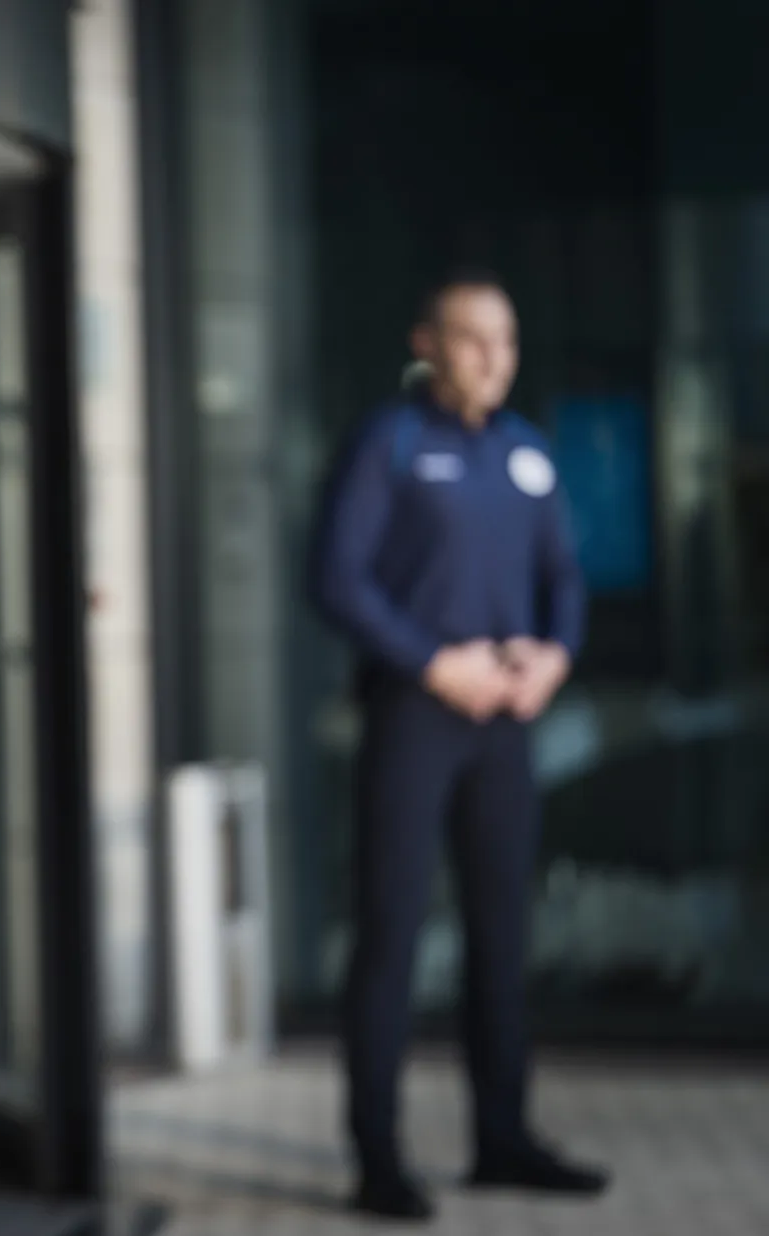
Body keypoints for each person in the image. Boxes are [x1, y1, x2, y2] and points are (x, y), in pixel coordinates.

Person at [310, 271, 609, 1221]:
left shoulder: (527, 454)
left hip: (506, 724)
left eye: (507, 341)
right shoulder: (388, 443)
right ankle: (378, 1158)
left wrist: (553, 658)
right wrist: (434, 662)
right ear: (428, 344)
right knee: (392, 938)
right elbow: (336, 577)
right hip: (416, 717)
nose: (494, 358)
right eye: (474, 339)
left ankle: (503, 1140)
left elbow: (564, 574)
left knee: (502, 937)